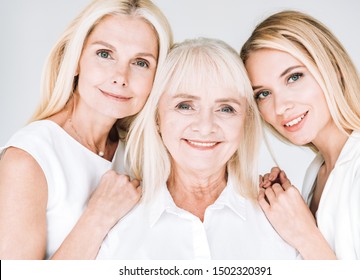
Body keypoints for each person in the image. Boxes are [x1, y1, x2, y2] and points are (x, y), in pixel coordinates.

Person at [96, 37, 298, 260]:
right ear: (156, 118)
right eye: (185, 106)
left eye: (226, 109)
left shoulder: (282, 220)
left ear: (246, 121)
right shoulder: (116, 221)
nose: (205, 127)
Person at [0, 0, 173, 259]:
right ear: (76, 60)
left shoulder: (139, 155)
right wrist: (97, 217)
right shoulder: (29, 159)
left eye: (140, 62)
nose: (120, 76)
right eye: (105, 54)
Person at [240, 10, 360, 259]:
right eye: (263, 94)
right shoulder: (317, 172)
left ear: (333, 67)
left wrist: (303, 233)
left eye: (294, 77)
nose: (279, 107)